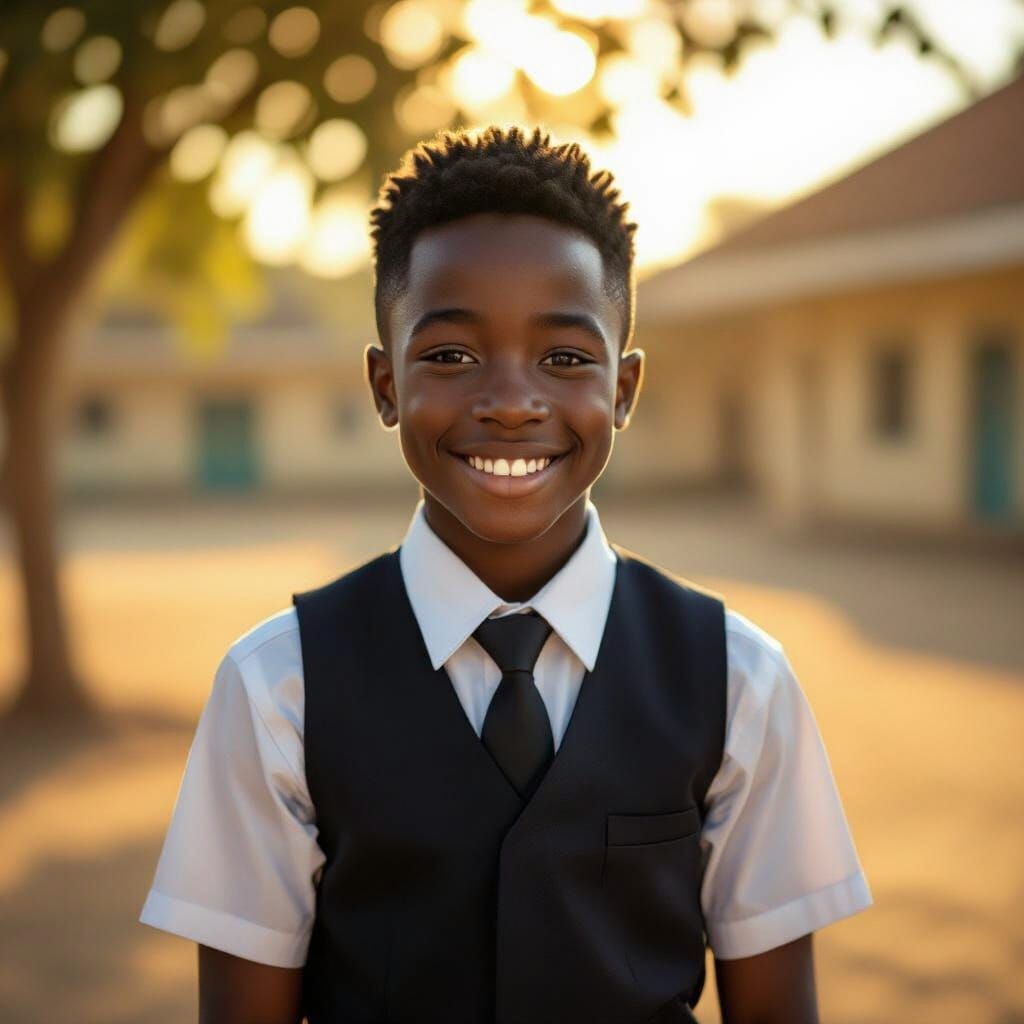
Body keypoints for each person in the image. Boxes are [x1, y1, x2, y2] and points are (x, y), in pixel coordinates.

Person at [139, 126, 872, 1024]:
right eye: (450, 355)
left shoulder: (739, 679)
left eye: (566, 359)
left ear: (626, 389)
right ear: (383, 385)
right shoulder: (276, 688)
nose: (513, 401)